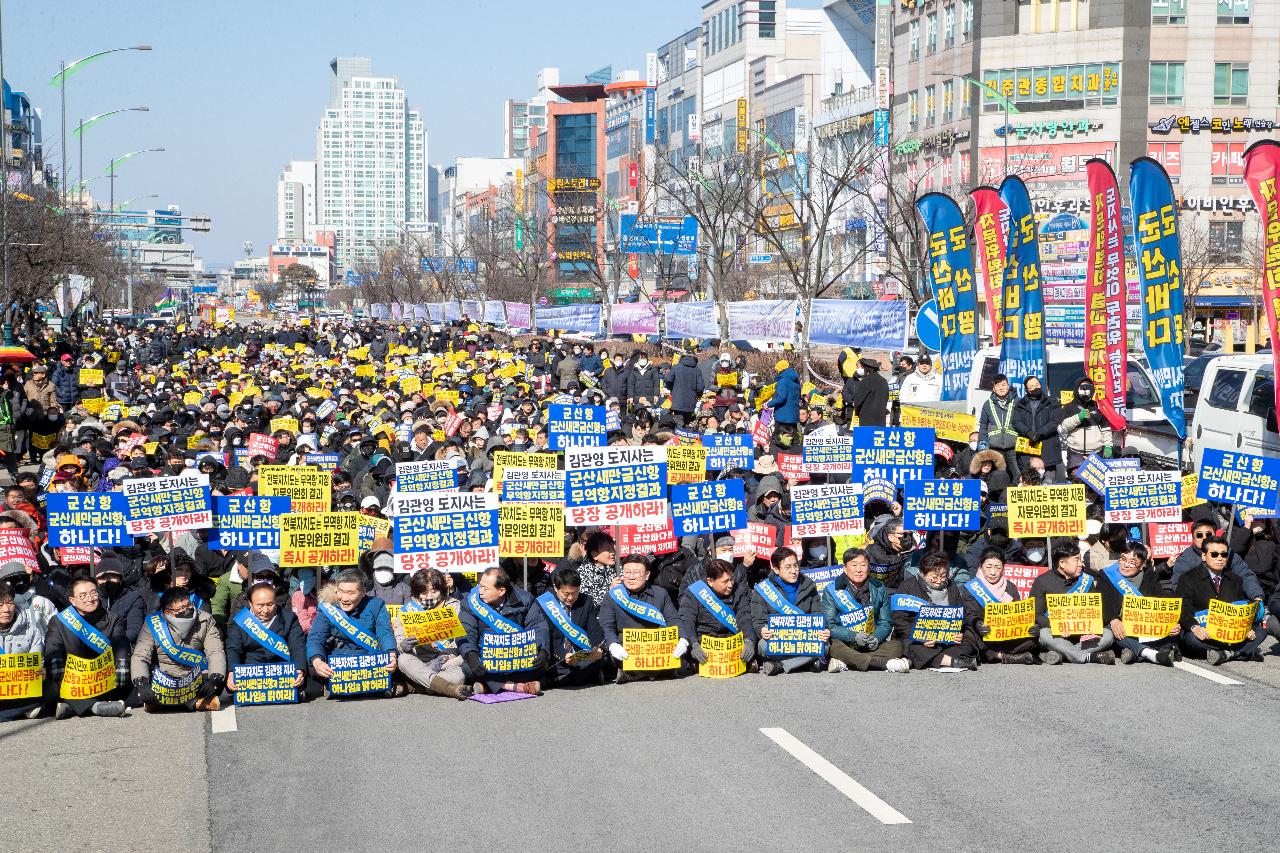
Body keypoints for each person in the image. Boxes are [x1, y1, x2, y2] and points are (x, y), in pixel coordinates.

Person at [130, 587, 227, 712]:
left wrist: (215, 677)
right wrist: (141, 683)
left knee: (216, 686)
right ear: (167, 612)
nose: (187, 610)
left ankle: (167, 704)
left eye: (188, 605)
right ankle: (195, 703)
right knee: (147, 694)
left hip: (196, 677)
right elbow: (140, 655)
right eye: (181, 609)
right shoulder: (153, 623)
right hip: (165, 679)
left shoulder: (205, 619)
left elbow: (215, 651)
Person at [1176, 535, 1267, 665]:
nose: (1219, 558)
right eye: (1214, 554)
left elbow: (1241, 608)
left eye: (1223, 554)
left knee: (1261, 631)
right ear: (1204, 556)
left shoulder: (1235, 579)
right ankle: (1242, 652)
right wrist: (1195, 627)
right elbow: (1183, 609)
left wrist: (1247, 628)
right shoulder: (1188, 578)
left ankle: (1228, 654)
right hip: (1205, 632)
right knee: (1190, 639)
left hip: (1231, 633)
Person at [458, 567, 550, 695]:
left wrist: (543, 650)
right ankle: (516, 687)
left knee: (540, 665)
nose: (480, 592)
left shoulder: (525, 600)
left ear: (501, 591)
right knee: (468, 667)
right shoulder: (470, 603)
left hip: (517, 658)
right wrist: (471, 655)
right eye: (480, 586)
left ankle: (490, 685)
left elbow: (539, 626)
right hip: (486, 659)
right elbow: (466, 631)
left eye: (485, 588)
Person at [306, 570, 398, 696]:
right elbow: (316, 638)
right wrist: (317, 661)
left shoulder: (376, 605)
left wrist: (391, 655)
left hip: (368, 658)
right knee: (311, 665)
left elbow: (385, 633)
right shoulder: (328, 608)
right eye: (341, 592)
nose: (344, 598)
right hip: (337, 659)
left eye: (350, 593)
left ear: (363, 592)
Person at [224, 581, 319, 702]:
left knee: (313, 688)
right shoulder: (240, 621)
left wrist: (300, 669)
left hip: (281, 670)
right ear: (250, 604)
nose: (266, 610)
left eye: (270, 604)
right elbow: (233, 648)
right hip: (251, 670)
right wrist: (231, 672)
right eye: (260, 605)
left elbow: (297, 646)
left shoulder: (289, 618)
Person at [599, 554, 685, 682]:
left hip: (656, 646)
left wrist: (683, 639)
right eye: (627, 572)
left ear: (647, 575)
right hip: (627, 647)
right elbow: (607, 625)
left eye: (636, 572)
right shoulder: (613, 595)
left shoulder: (661, 593)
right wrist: (613, 644)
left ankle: (639, 673)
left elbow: (673, 619)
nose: (631, 576)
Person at [822, 548, 909, 673]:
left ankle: (847, 662)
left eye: (863, 565)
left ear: (869, 567)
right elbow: (830, 625)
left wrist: (877, 637)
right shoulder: (832, 590)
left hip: (871, 642)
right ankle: (882, 663)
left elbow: (885, 622)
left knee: (897, 646)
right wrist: (853, 636)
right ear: (845, 568)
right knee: (834, 647)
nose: (859, 570)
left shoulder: (878, 587)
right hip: (846, 642)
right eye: (854, 565)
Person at [1030, 541, 1115, 665]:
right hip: (1056, 634)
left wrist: (1093, 625)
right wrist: (1056, 625)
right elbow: (1036, 615)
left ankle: (1064, 654)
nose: (1081, 564)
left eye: (1081, 560)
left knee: (1108, 635)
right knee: (1043, 634)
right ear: (1062, 563)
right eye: (1076, 560)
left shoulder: (1087, 580)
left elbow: (1097, 610)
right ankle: (1088, 657)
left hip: (1082, 636)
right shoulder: (1041, 582)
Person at [892, 551, 980, 670]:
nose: (939, 581)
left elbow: (961, 615)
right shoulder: (907, 587)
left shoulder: (951, 587)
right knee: (910, 646)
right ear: (923, 573)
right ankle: (952, 661)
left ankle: (933, 659)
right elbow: (899, 620)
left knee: (969, 639)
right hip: (918, 638)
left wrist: (958, 631)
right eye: (934, 577)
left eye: (943, 576)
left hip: (946, 639)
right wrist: (921, 637)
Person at [1098, 542, 1180, 667]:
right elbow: (1104, 600)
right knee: (1113, 631)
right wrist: (1114, 619)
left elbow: (1161, 599)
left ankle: (1133, 652)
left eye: (1132, 562)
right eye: (1123, 559)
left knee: (1173, 633)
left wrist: (1172, 622)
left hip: (1143, 626)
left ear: (1141, 565)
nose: (1125, 565)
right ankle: (1150, 654)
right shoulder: (1106, 575)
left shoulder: (1149, 576)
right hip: (1119, 624)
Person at [393, 569, 472, 699]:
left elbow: (463, 637)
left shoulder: (454, 605)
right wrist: (403, 645)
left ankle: (414, 686)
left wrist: (449, 655)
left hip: (446, 659)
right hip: (419, 660)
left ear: (442, 590)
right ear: (417, 593)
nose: (429, 596)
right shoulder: (407, 610)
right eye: (424, 592)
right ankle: (447, 688)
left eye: (434, 591)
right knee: (403, 660)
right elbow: (399, 637)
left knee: (459, 676)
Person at [749, 547, 827, 675]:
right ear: (776, 569)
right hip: (779, 638)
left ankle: (780, 665)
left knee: (825, 644)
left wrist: (823, 629)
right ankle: (806, 662)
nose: (794, 571)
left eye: (796, 566)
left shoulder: (809, 585)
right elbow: (758, 620)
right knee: (763, 646)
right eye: (788, 567)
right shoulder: (763, 589)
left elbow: (818, 613)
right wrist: (762, 630)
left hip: (804, 637)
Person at [678, 559, 756, 674]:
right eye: (725, 582)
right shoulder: (694, 592)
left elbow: (745, 617)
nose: (730, 585)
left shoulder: (739, 590)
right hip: (703, 641)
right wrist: (693, 644)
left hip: (731, 641)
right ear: (710, 581)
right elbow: (686, 620)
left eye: (731, 579)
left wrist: (749, 640)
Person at [960, 549, 1037, 665]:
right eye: (989, 566)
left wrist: (1030, 625)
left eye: (997, 567)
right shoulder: (970, 588)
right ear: (981, 566)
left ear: (1003, 568)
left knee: (1033, 637)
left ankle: (991, 655)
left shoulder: (1010, 587)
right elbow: (970, 614)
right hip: (983, 634)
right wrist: (978, 623)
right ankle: (1001, 656)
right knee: (968, 634)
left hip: (1006, 635)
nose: (993, 572)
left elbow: (1020, 613)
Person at [537, 566, 606, 688]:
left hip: (580, 654)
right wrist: (563, 655)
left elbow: (593, 629)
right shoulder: (545, 604)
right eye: (566, 594)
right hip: (557, 654)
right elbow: (549, 637)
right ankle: (584, 676)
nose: (570, 598)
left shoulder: (586, 601)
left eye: (574, 593)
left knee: (602, 658)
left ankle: (562, 679)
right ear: (555, 588)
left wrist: (598, 648)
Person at [0, 580, 47, 721]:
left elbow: (37, 660)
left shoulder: (31, 631)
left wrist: (41, 672)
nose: (6, 610)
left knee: (52, 688)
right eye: (0, 604)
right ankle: (25, 709)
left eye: (10, 603)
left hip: (22, 690)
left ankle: (10, 711)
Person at [1012, 375, 1062, 481]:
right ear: (1027, 389)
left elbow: (1055, 421)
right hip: (1027, 446)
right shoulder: (1020, 404)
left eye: (1037, 384)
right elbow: (1016, 422)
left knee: (1048, 482)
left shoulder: (1052, 401)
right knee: (1029, 482)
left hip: (1048, 446)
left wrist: (1040, 433)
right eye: (1031, 386)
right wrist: (1029, 432)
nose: (1035, 387)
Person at [1059, 378, 1114, 470]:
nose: (1085, 390)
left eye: (1088, 387)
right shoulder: (1069, 407)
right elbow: (1064, 426)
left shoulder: (1098, 407)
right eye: (1082, 387)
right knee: (1076, 479)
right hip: (1075, 452)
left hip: (1096, 452)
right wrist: (1078, 417)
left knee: (1096, 481)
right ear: (1076, 389)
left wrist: (1108, 446)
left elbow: (1106, 429)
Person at [978, 374, 1019, 479]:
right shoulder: (987, 404)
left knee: (1017, 474)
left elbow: (1023, 422)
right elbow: (983, 425)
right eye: (998, 385)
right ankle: (1000, 495)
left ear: (1008, 386)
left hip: (1014, 447)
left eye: (1003, 385)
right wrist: (982, 445)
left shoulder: (1018, 401)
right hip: (995, 447)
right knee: (998, 475)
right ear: (994, 389)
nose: (1001, 388)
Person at [846, 357, 889, 427]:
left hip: (867, 417)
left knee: (867, 437)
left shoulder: (865, 381)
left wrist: (857, 412)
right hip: (881, 417)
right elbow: (886, 397)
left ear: (867, 369)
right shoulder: (883, 381)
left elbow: (858, 400)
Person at [767, 360, 801, 432]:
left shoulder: (783, 381)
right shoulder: (795, 380)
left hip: (783, 416)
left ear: (780, 369)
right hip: (793, 415)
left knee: (779, 439)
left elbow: (781, 398)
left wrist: (769, 404)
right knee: (793, 437)